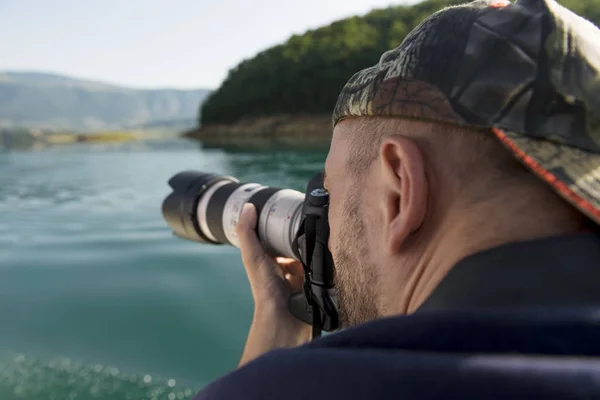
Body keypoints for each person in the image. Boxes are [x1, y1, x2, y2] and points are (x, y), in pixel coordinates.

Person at [194, 0, 600, 398]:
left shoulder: (302, 387)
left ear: (399, 191)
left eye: (329, 193)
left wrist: (267, 366)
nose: (322, 225)